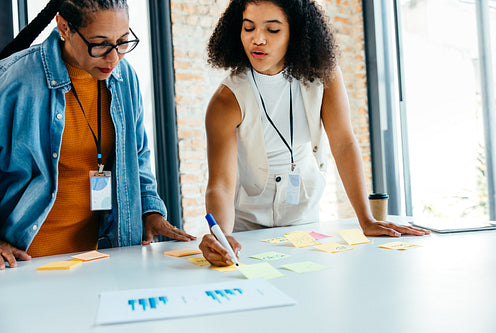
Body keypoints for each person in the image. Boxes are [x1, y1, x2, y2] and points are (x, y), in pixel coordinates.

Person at [199, 0, 429, 266]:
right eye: (248, 28)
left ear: (295, 33)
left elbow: (343, 143)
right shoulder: (226, 100)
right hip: (248, 229)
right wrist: (222, 236)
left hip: (304, 222)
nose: (257, 39)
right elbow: (221, 184)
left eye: (272, 30)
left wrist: (365, 219)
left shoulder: (323, 76)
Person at [0, 0, 196, 270]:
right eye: (100, 44)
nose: (113, 57)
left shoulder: (125, 77)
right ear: (64, 27)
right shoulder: (13, 80)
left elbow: (137, 155)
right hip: (24, 263)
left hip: (101, 261)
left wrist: (149, 211)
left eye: (123, 41)